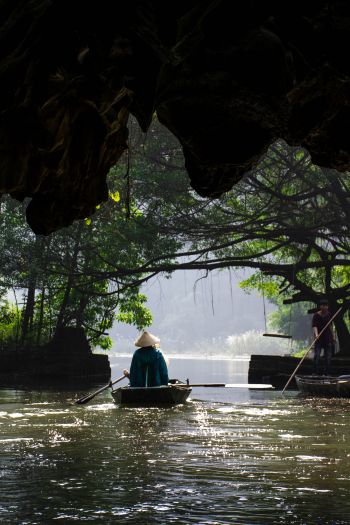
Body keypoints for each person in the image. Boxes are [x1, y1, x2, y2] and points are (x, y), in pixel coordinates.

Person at [312, 299, 335, 376]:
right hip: (318, 339)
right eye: (323, 306)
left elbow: (330, 326)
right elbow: (314, 326)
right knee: (317, 356)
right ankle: (315, 372)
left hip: (327, 338)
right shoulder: (316, 315)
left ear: (327, 307)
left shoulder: (329, 314)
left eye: (326, 306)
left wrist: (333, 336)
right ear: (320, 307)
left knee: (328, 357)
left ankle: (327, 373)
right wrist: (316, 334)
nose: (324, 307)